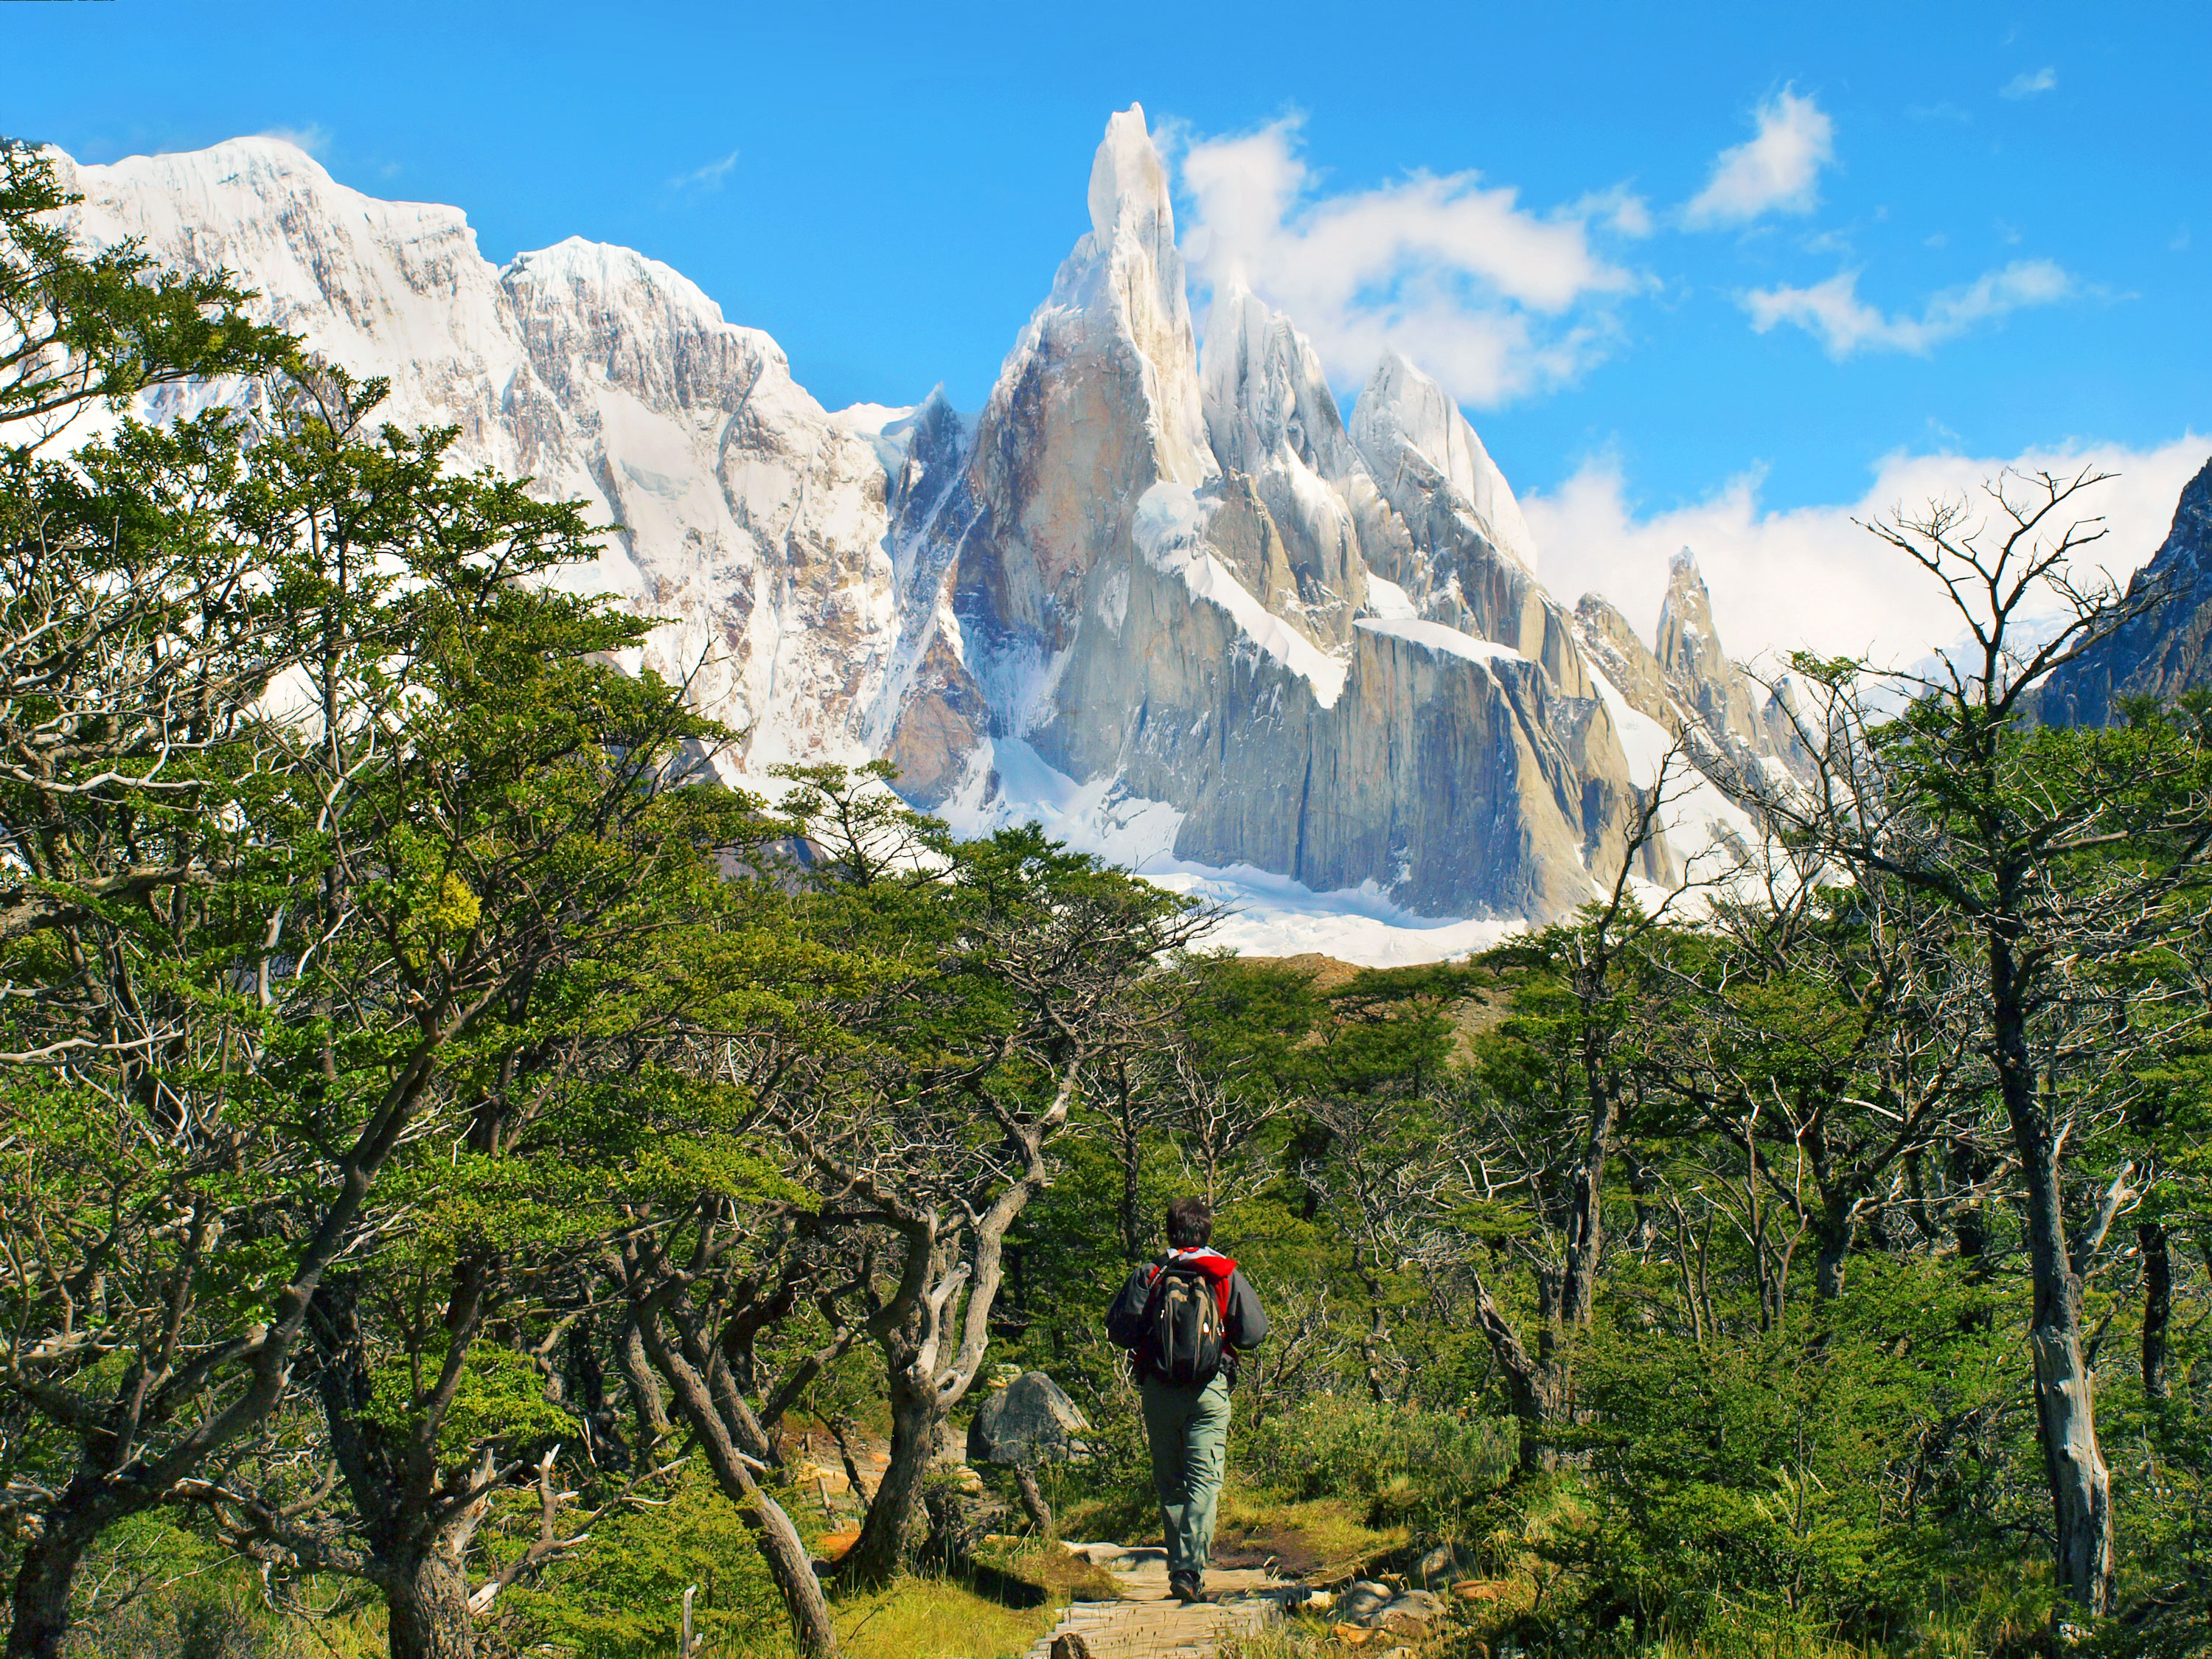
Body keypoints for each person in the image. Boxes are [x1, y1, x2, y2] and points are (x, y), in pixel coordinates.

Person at [1105, 1196, 1267, 1604]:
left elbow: (1120, 1331)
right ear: (1206, 1231)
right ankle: (1191, 1571)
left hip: (1160, 1391)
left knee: (1170, 1482)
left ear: (1170, 1230)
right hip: (1208, 1390)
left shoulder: (1152, 1273)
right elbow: (1251, 1335)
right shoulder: (1225, 1274)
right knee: (1204, 1482)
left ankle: (1181, 1567)